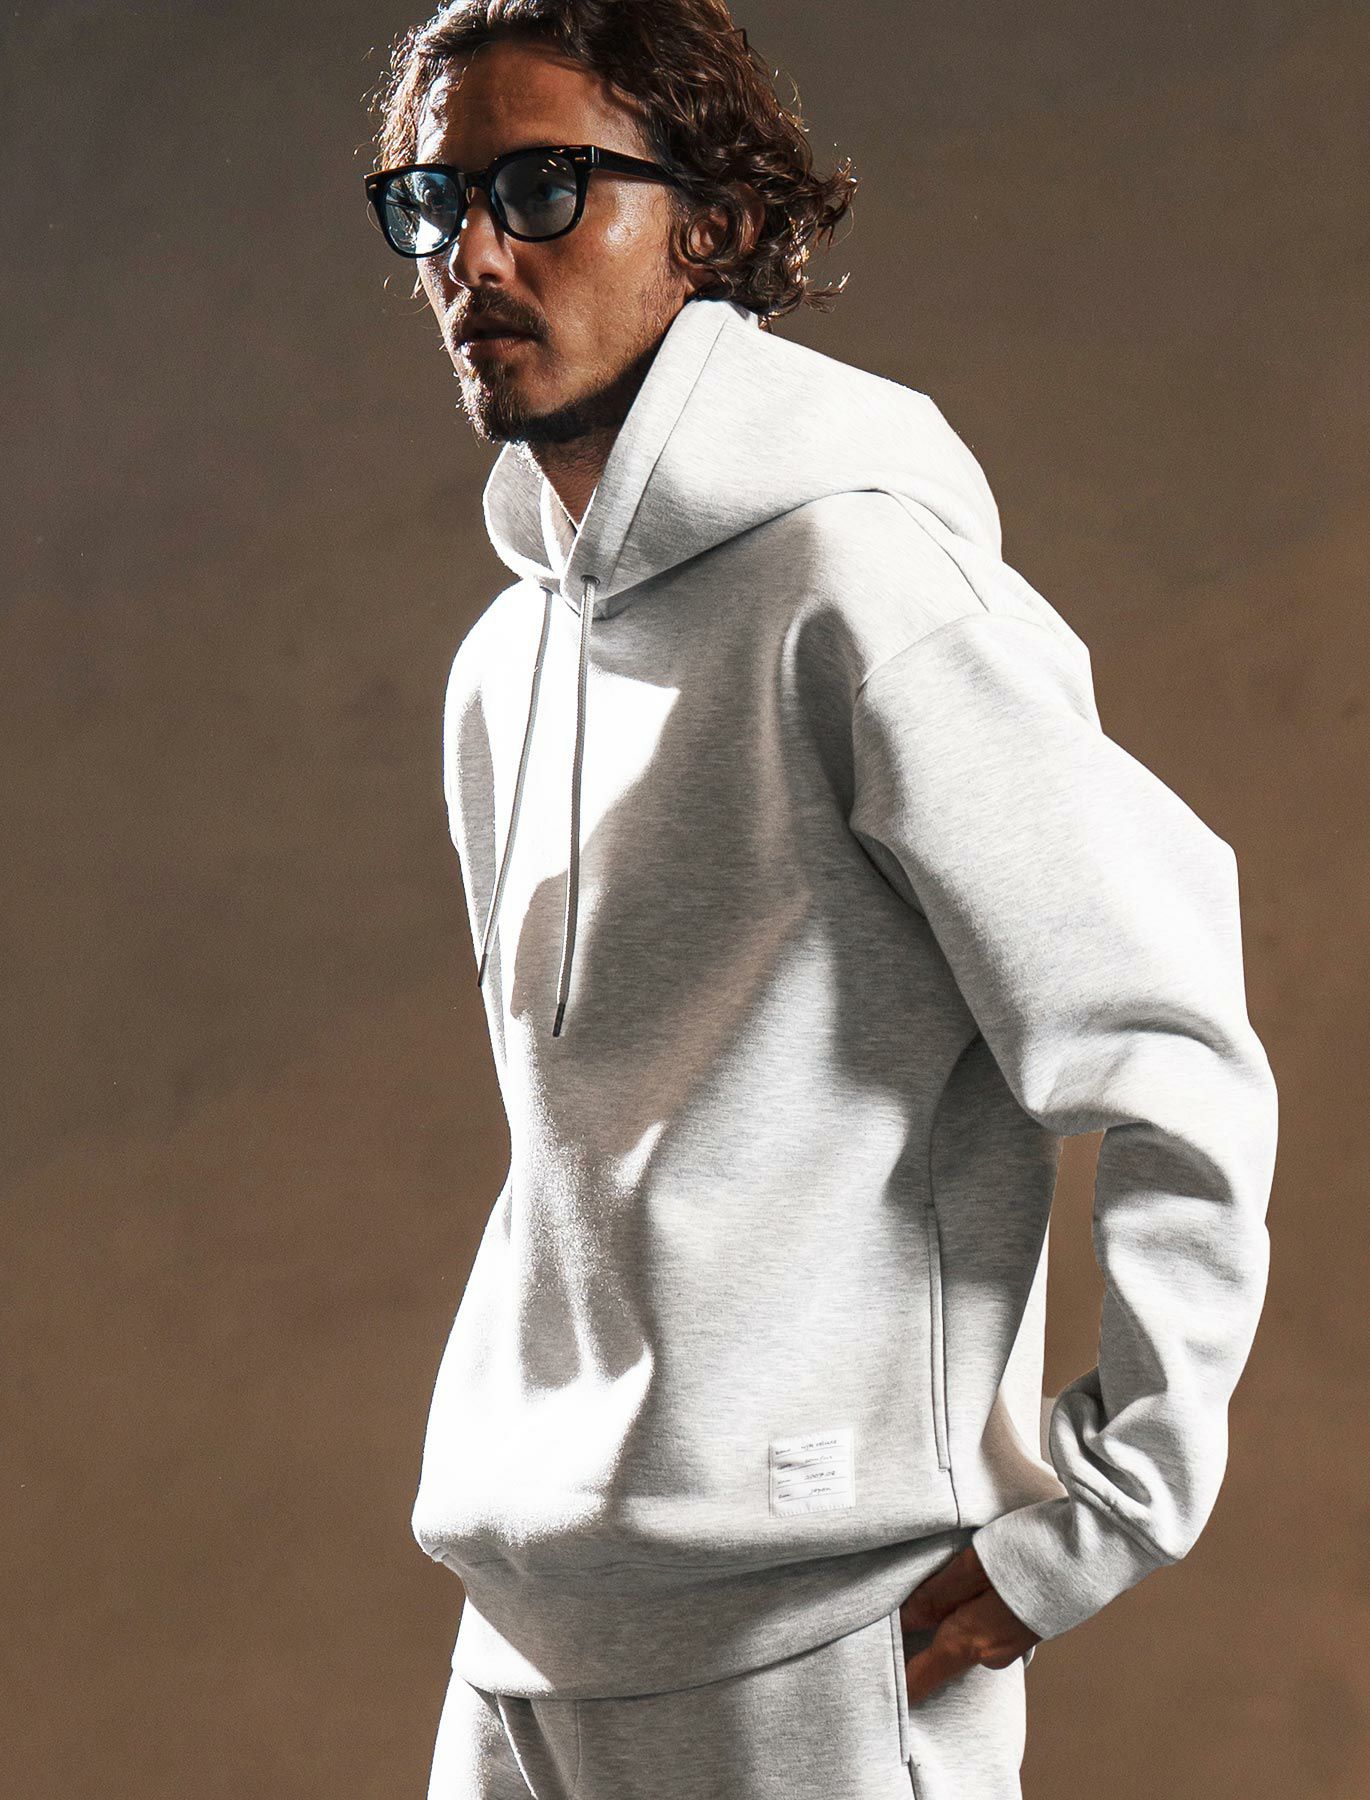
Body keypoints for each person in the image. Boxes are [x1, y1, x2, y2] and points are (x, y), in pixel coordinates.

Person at [362, 3, 1279, 1795]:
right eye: (431, 203)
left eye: (541, 189)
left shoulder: (864, 593)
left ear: (708, 223)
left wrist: (1109, 1511)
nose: (472, 254)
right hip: (526, 1617)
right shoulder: (499, 668)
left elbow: (1179, 1049)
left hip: (822, 1631)